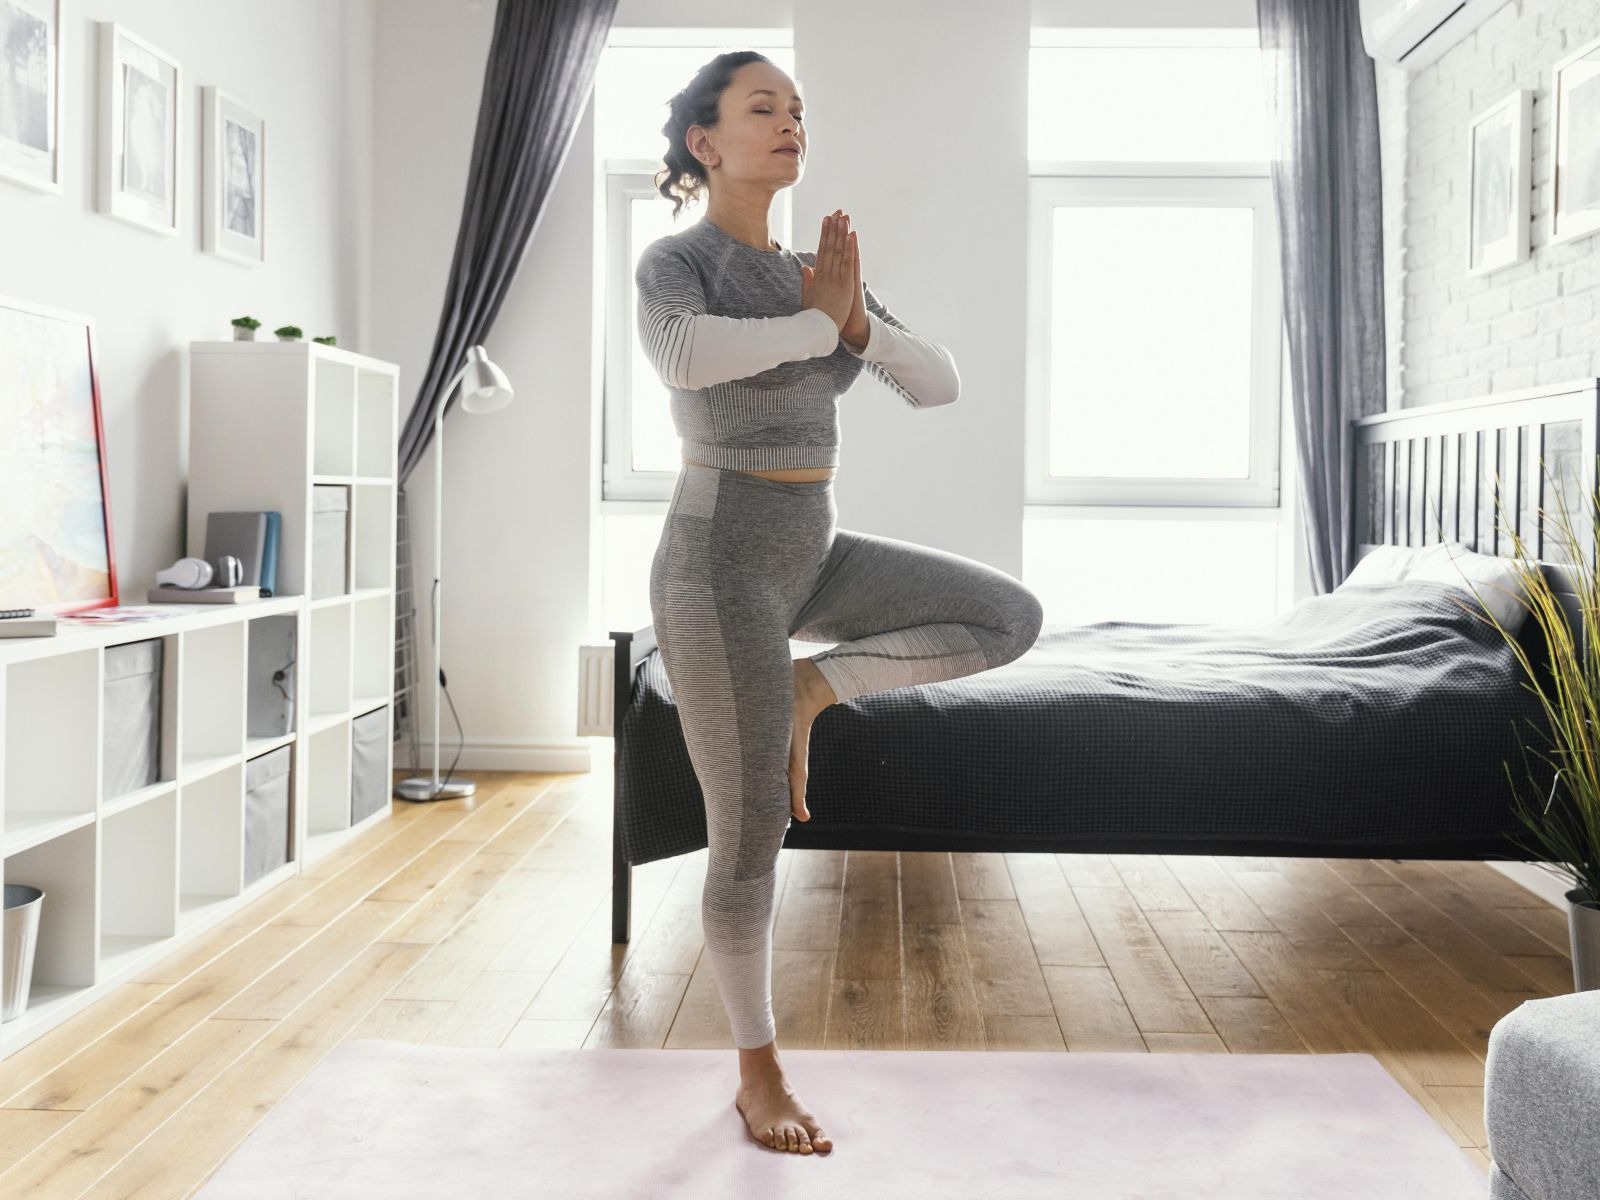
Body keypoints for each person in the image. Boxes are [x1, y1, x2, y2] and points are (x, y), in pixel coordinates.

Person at [636, 51, 1044, 1156]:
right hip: (716, 564)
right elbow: (684, 359)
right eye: (761, 107)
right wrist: (822, 328)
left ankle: (816, 683)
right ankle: (757, 1071)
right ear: (705, 143)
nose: (789, 123)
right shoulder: (677, 264)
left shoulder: (821, 269)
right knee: (749, 832)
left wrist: (852, 319)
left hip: (809, 547)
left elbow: (937, 381)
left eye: (797, 110)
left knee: (1007, 615)